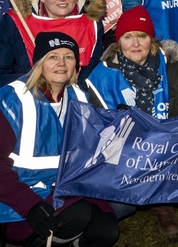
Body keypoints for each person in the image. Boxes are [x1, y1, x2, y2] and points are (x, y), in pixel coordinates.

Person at [0, 32, 118, 246]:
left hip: (61, 188)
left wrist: (124, 123)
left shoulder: (78, 96)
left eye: (69, 57)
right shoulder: (14, 99)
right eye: (53, 57)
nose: (62, 63)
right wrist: (30, 205)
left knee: (106, 231)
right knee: (78, 215)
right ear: (39, 63)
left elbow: (94, 146)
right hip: (17, 196)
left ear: (76, 65)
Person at [85, 6, 178, 236]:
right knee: (120, 207)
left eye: (142, 36)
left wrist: (162, 142)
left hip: (163, 145)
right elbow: (96, 130)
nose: (135, 43)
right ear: (118, 41)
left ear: (151, 40)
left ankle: (162, 203)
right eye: (127, 36)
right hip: (121, 151)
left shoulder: (172, 66)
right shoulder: (101, 76)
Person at [0, 0, 105, 88]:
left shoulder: (91, 23)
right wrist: (39, 84)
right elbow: (2, 73)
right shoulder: (16, 22)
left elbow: (91, 76)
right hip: (28, 95)